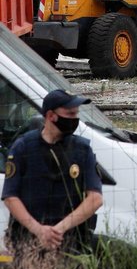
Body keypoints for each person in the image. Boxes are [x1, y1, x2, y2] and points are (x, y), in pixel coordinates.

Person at [2, 90, 103, 255]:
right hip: (27, 242)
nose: (75, 119)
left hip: (69, 243)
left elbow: (95, 198)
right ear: (50, 116)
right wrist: (40, 231)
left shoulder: (82, 149)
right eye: (69, 114)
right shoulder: (23, 147)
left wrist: (57, 230)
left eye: (76, 114)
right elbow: (10, 197)